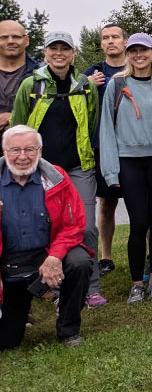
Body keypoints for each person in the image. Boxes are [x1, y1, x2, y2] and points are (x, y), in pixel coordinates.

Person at [11, 31, 105, 308]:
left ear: (74, 53)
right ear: (45, 53)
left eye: (65, 48)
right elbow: (18, 128)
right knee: (48, 229)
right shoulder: (31, 85)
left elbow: (92, 122)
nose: (59, 53)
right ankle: (56, 287)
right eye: (54, 48)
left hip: (79, 167)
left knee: (86, 227)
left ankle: (91, 287)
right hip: (41, 170)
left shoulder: (85, 86)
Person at [97, 33, 152, 304]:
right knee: (138, 223)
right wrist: (110, 170)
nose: (139, 55)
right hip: (128, 162)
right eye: (133, 50)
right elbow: (107, 131)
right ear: (128, 54)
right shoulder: (117, 84)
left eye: (143, 50)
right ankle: (137, 283)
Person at [0, 126, 93, 348]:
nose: (22, 156)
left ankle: (68, 330)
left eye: (30, 149)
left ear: (40, 151)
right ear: (4, 151)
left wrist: (55, 256)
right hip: (7, 266)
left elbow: (74, 224)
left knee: (80, 262)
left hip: (45, 257)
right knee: (7, 343)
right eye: (15, 150)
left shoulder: (57, 177)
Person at [86, 24, 126, 280]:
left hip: (133, 146)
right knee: (106, 202)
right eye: (106, 38)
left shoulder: (137, 66)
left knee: (141, 203)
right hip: (102, 147)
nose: (111, 41)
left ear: (124, 41)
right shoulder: (93, 73)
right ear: (101, 44)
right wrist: (86, 85)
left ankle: (148, 254)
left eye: (115, 37)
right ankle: (106, 257)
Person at [0, 20, 41, 133]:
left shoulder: (42, 75)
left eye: (16, 37)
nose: (10, 41)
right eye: (4, 37)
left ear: (26, 40)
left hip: (28, 145)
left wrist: (13, 117)